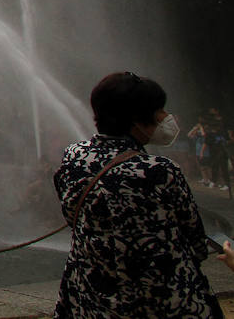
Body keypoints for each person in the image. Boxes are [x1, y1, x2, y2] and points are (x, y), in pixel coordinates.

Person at [53, 71, 219, 318]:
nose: (166, 117)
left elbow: (71, 215)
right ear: (137, 120)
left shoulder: (74, 158)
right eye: (159, 111)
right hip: (157, 300)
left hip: (89, 297)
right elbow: (194, 239)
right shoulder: (160, 171)